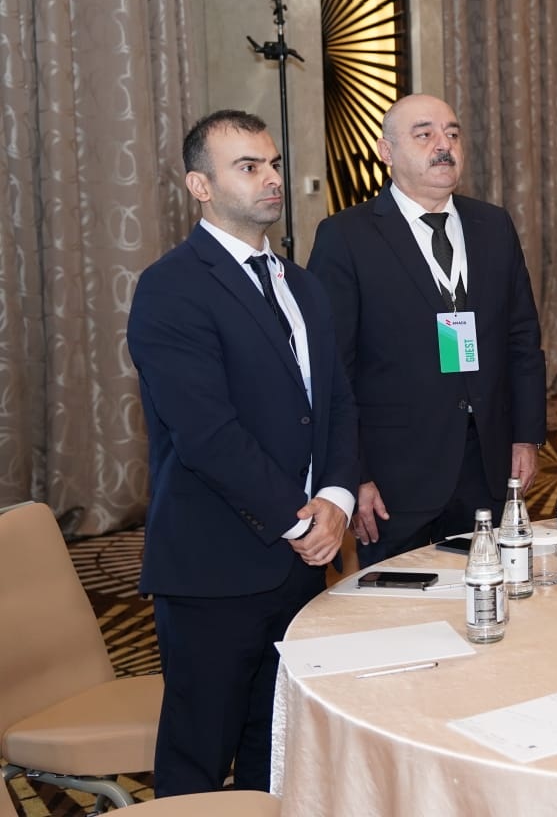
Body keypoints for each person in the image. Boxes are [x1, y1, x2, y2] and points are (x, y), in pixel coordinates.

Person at [127, 110, 357, 795]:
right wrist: (299, 521)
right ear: (200, 186)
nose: (271, 178)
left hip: (298, 564)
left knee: (277, 748)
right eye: (248, 167)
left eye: (275, 164)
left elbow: (337, 404)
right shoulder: (172, 286)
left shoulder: (301, 284)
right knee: (199, 760)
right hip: (215, 566)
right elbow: (208, 436)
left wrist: (337, 498)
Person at [307, 94, 546, 567]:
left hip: (486, 462)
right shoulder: (346, 236)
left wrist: (527, 435)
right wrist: (353, 473)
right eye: (424, 135)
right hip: (394, 476)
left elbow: (522, 340)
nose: (444, 145)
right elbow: (333, 369)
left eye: (452, 134)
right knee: (403, 602)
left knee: (486, 588)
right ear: (386, 152)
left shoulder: (493, 225)